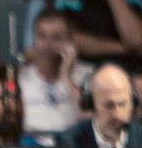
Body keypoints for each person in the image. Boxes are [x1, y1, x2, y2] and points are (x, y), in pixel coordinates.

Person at [18, 9, 91, 138]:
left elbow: (90, 119)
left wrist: (65, 76)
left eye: (56, 38)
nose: (48, 44)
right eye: (42, 36)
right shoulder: (21, 77)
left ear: (70, 42)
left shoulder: (86, 75)